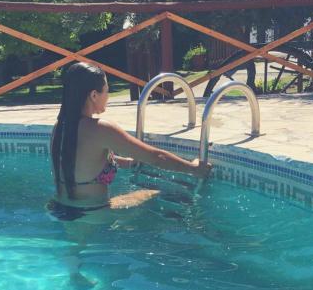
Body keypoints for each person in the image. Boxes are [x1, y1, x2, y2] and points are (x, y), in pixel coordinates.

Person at [46, 62, 212, 221]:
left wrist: (127, 162)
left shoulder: (59, 127)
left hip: (59, 209)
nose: (108, 96)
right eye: (106, 90)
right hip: (92, 214)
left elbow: (78, 160)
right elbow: (156, 157)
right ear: (94, 95)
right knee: (157, 193)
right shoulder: (101, 129)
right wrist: (193, 168)